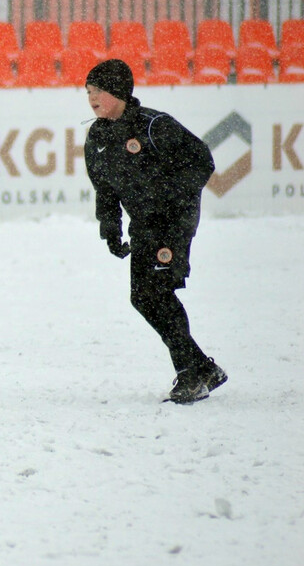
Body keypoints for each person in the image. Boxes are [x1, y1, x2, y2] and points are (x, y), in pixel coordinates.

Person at [83, 58, 227, 404]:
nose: (91, 98)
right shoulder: (98, 136)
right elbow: (104, 188)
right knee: (143, 297)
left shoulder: (153, 125)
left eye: (97, 90)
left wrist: (168, 196)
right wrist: (111, 229)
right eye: (87, 91)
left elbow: (201, 162)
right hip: (144, 224)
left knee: (157, 293)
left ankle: (190, 375)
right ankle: (201, 368)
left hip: (173, 221)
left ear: (118, 91)